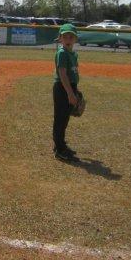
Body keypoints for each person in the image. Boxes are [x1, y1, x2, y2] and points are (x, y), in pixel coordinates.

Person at [52, 24, 80, 162]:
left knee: (65, 119)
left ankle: (61, 144)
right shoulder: (62, 53)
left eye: (71, 36)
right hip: (62, 88)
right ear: (60, 39)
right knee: (60, 119)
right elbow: (62, 74)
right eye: (65, 36)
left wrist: (75, 91)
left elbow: (73, 73)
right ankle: (59, 149)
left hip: (70, 87)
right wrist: (70, 94)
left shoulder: (73, 54)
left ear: (75, 39)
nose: (68, 39)